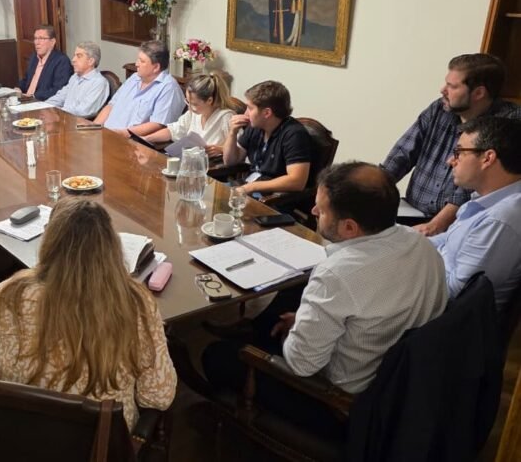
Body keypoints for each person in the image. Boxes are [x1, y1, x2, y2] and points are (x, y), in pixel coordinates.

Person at [203, 162, 447, 435]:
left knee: (217, 355)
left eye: (321, 208)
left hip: (340, 404)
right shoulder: (421, 244)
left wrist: (298, 330)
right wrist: (307, 322)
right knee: (273, 317)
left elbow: (302, 364)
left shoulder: (338, 274)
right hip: (399, 383)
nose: (313, 211)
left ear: (350, 227)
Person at [0, 198, 176, 430]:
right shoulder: (134, 304)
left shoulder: (10, 293)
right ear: (112, 246)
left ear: (49, 241)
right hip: (101, 447)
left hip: (21, 439)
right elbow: (157, 397)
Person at [382, 53, 521, 236]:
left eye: (452, 86)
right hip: (412, 211)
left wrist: (435, 225)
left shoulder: (509, 123)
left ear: (479, 93)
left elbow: (472, 184)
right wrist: (368, 192)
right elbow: (401, 156)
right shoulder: (439, 109)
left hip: (459, 226)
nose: (442, 90)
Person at [431, 116, 521, 313]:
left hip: (446, 326)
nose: (450, 161)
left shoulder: (501, 219)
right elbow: (446, 241)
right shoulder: (484, 200)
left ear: (487, 158)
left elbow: (456, 294)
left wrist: (410, 266)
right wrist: (401, 243)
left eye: (459, 152)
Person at [222, 80, 311, 195]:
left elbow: (297, 181)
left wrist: (252, 187)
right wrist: (232, 133)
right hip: (248, 186)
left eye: (250, 108)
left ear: (267, 113)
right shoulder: (255, 126)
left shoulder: (294, 134)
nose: (245, 114)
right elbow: (230, 161)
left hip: (273, 199)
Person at [93, 40, 184, 137]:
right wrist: (93, 128)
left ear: (156, 67)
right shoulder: (134, 78)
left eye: (142, 61)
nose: (136, 64)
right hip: (107, 135)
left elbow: (157, 124)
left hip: (132, 142)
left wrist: (123, 133)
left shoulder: (168, 88)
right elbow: (111, 105)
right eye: (138, 59)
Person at [142, 72, 238, 158]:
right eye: (188, 102)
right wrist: (146, 139)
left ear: (209, 100)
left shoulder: (226, 117)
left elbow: (239, 149)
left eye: (195, 104)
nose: (190, 108)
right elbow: (173, 130)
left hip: (212, 168)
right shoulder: (193, 114)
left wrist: (221, 149)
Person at [44, 41, 109, 117]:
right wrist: (42, 106)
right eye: (74, 55)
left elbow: (83, 111)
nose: (73, 60)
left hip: (79, 124)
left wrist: (57, 111)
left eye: (79, 56)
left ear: (91, 61)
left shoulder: (98, 82)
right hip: (63, 118)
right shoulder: (75, 77)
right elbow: (60, 97)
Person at [17, 24, 72, 101]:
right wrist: (18, 88)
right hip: (26, 101)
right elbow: (26, 80)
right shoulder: (34, 58)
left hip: (43, 103)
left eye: (41, 38)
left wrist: (33, 96)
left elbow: (58, 90)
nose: (37, 42)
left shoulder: (61, 61)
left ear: (52, 42)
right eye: (35, 38)